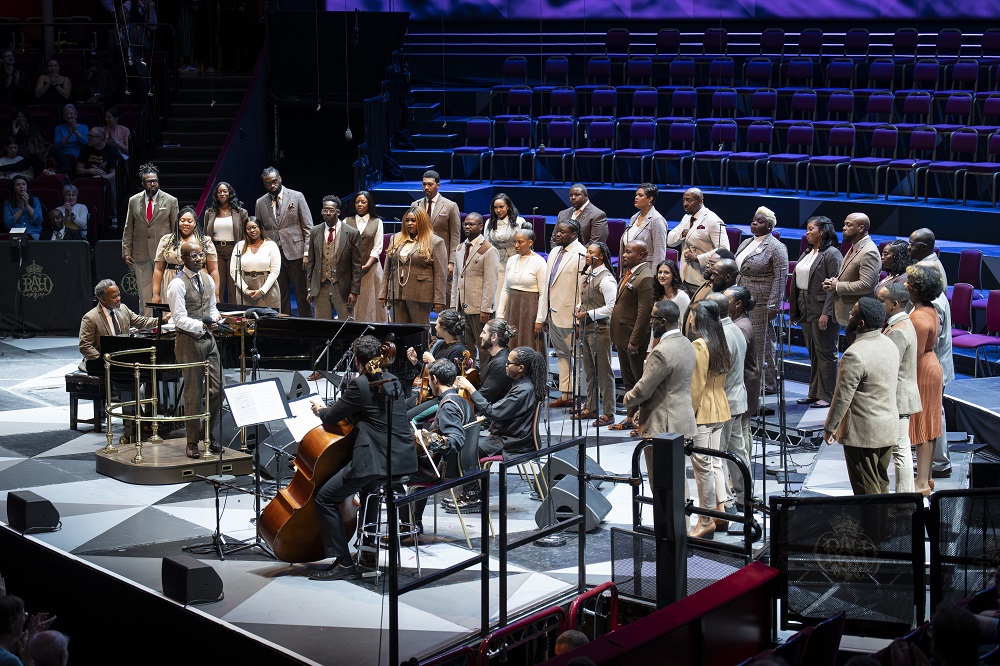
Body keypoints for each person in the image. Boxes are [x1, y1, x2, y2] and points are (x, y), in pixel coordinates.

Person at [308, 335, 418, 580]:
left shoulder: (360, 384)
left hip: (374, 462)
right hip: (402, 460)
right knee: (369, 490)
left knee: (325, 497)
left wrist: (319, 409)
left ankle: (344, 563)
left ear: (357, 361)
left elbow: (332, 416)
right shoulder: (395, 381)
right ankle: (367, 552)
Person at [824, 297, 900, 495]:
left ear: (861, 323)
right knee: (881, 483)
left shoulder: (854, 354)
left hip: (863, 433)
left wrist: (830, 427)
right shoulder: (889, 343)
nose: (849, 317)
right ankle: (885, 525)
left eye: (852, 314)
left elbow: (842, 398)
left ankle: (874, 526)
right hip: (888, 427)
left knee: (866, 491)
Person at [167, 241, 223, 459]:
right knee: (193, 394)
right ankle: (191, 442)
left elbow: (212, 308)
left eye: (201, 255)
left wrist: (215, 319)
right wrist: (202, 325)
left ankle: (206, 432)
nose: (199, 259)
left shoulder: (207, 279)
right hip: (188, 341)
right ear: (183, 259)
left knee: (218, 389)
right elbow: (179, 319)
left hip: (208, 339)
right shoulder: (177, 284)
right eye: (194, 256)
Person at [407, 358, 473, 535]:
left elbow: (455, 441)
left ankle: (407, 525)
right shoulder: (463, 401)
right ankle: (415, 522)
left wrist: (426, 438)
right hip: (454, 467)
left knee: (396, 472)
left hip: (442, 470)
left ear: (435, 379)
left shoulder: (448, 406)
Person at [908, 227, 954, 481]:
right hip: (932, 358)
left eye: (913, 244)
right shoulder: (929, 267)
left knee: (933, 414)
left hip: (930, 360)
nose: (909, 248)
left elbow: (930, 334)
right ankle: (933, 462)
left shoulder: (930, 288)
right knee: (932, 413)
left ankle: (939, 462)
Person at [686, 299, 733, 539]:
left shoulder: (699, 345)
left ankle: (705, 521)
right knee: (714, 463)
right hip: (720, 408)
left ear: (700, 318)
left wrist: (688, 417)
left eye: (692, 315)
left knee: (702, 466)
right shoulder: (719, 341)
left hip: (703, 411)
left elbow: (696, 387)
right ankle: (720, 513)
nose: (689, 319)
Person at [789, 216, 843, 408]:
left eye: (811, 229)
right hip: (805, 307)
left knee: (826, 353)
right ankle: (814, 392)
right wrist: (795, 312)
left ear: (822, 231)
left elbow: (833, 285)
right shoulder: (807, 252)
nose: (807, 232)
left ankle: (828, 395)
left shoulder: (832, 253)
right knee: (813, 353)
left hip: (821, 309)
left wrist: (826, 313)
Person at [623, 299, 697, 440]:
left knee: (657, 462)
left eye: (652, 318)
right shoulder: (687, 343)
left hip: (662, 423)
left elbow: (644, 389)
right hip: (683, 419)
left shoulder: (661, 352)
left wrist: (627, 399)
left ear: (663, 322)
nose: (651, 322)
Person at [455, 345, 545, 459]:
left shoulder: (523, 390)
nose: (505, 366)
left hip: (511, 442)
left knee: (460, 448)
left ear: (520, 368)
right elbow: (508, 411)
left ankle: (471, 477)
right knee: (464, 441)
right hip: (511, 437)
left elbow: (493, 412)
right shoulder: (523, 385)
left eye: (509, 363)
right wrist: (483, 418)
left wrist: (470, 388)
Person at [734, 206, 788, 393]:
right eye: (754, 220)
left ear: (770, 227)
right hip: (742, 298)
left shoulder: (776, 247)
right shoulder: (747, 242)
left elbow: (781, 277)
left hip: (761, 300)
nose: (754, 223)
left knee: (762, 342)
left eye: (760, 221)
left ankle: (770, 383)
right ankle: (749, 379)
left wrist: (774, 304)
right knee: (744, 339)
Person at [706, 292, 748, 528]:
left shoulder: (718, 335)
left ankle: (728, 502)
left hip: (723, 404)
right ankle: (744, 497)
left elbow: (715, 374)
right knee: (738, 453)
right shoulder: (736, 329)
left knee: (718, 456)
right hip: (737, 400)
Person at [878, 283, 921, 494]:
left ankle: (904, 499)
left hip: (899, 398)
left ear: (894, 304)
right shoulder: (902, 323)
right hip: (902, 395)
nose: (878, 305)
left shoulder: (899, 331)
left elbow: (888, 367)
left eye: (881, 301)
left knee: (900, 450)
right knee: (901, 448)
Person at [254, 166, 315, 317]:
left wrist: (307, 252)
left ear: (280, 178)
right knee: (280, 295)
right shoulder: (260, 202)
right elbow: (259, 230)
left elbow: (308, 227)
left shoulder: (296, 196)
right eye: (268, 183)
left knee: (302, 294)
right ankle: (285, 330)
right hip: (274, 255)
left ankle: (308, 331)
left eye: (274, 181)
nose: (272, 185)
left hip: (297, 253)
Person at [906, 263, 944, 496]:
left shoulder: (919, 318)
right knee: (928, 425)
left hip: (923, 369)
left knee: (923, 425)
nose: (906, 285)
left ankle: (920, 482)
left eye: (910, 283)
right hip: (930, 367)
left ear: (917, 290)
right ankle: (926, 477)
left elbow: (914, 354)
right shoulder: (931, 309)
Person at [609, 241, 655, 434]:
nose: (624, 255)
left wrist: (635, 341)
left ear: (642, 255)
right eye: (624, 251)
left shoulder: (645, 277)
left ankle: (643, 421)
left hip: (632, 339)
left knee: (639, 381)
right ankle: (631, 416)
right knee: (629, 380)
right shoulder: (631, 273)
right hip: (622, 336)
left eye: (628, 252)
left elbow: (644, 313)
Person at [123, 163, 179, 315]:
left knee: (166, 291)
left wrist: (175, 251)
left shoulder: (170, 200)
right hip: (141, 252)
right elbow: (129, 227)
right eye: (149, 181)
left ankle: (168, 323)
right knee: (144, 293)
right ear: (143, 183)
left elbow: (176, 229)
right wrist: (126, 251)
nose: (153, 183)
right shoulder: (133, 201)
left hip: (164, 254)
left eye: (155, 180)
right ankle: (146, 325)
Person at [724, 285, 761, 508]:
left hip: (739, 391)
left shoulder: (741, 328)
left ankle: (732, 496)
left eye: (727, 299)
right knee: (738, 445)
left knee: (737, 444)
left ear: (738, 304)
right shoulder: (737, 323)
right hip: (739, 392)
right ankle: (744, 493)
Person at [574, 242, 618, 428]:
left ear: (600, 256)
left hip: (600, 329)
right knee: (590, 370)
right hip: (586, 328)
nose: (587, 254)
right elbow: (585, 299)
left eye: (591, 252)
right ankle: (591, 406)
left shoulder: (606, 279)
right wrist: (578, 309)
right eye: (587, 251)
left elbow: (611, 307)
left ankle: (609, 412)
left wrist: (589, 314)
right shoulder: (589, 275)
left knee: (604, 371)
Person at [381, 206, 448, 324]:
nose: (409, 223)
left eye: (413, 220)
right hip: (397, 292)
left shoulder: (435, 242)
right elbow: (387, 269)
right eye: (407, 220)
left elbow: (440, 274)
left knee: (420, 330)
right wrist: (383, 293)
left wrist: (439, 300)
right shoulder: (395, 238)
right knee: (399, 330)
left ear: (421, 222)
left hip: (420, 293)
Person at [546, 219, 588, 408]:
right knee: (562, 355)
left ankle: (581, 396)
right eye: (557, 231)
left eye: (562, 232)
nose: (557, 234)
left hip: (570, 314)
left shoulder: (582, 254)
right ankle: (566, 393)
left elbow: (583, 290)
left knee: (578, 356)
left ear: (574, 234)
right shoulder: (554, 251)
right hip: (552, 312)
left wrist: (579, 318)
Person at [451, 212, 500, 359]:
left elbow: (490, 282)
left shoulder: (488, 250)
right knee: (465, 346)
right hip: (462, 306)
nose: (467, 226)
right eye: (465, 223)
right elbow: (456, 279)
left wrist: (486, 308)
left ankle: (486, 379)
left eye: (471, 224)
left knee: (484, 347)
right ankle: (467, 377)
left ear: (480, 226)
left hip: (479, 308)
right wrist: (454, 305)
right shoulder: (460, 248)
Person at [79, 279, 159, 368]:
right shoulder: (90, 318)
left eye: (119, 295)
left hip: (123, 359)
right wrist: (103, 360)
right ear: (102, 299)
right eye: (114, 297)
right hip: (102, 363)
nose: (119, 298)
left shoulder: (123, 309)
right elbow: (85, 346)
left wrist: (162, 320)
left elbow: (142, 322)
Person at [823, 212, 881, 331]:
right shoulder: (855, 246)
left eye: (849, 225)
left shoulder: (869, 252)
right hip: (848, 312)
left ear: (861, 228)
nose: (844, 228)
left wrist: (838, 286)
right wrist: (834, 282)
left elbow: (867, 285)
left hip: (859, 315)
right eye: (844, 224)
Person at [307, 195, 362, 320]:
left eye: (331, 210)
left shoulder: (351, 233)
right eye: (325, 210)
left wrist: (354, 291)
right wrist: (310, 288)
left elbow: (356, 266)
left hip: (341, 288)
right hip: (321, 287)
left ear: (338, 212)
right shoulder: (315, 231)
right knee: (322, 327)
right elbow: (311, 262)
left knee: (346, 326)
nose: (327, 213)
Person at [667, 187, 729, 295]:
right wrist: (682, 234)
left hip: (702, 280)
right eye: (684, 200)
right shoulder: (686, 218)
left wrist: (698, 258)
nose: (685, 204)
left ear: (700, 201)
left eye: (689, 200)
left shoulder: (713, 220)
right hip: (684, 277)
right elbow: (670, 241)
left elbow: (724, 250)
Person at [152, 206, 221, 304]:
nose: (186, 224)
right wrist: (155, 294)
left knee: (195, 314)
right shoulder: (166, 240)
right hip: (171, 279)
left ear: (195, 223)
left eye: (189, 221)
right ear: (178, 222)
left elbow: (213, 270)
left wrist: (216, 294)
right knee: (171, 316)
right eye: (182, 220)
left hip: (197, 280)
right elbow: (158, 269)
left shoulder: (205, 241)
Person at [496, 228, 548, 355]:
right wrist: (500, 313)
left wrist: (539, 319)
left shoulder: (539, 262)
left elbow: (543, 293)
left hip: (529, 308)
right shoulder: (512, 260)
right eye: (515, 242)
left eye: (520, 242)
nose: (516, 245)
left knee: (528, 342)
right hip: (512, 307)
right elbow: (506, 288)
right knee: (510, 342)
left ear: (530, 243)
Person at [406, 308, 468, 411]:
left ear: (444, 328)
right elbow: (429, 374)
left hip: (442, 398)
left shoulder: (458, 350)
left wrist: (432, 361)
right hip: (431, 392)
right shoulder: (440, 345)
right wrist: (416, 362)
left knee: (408, 416)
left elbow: (449, 380)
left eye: (437, 324)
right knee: (401, 407)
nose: (435, 327)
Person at [343, 190, 386, 323]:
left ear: (369, 204)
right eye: (357, 202)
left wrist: (367, 265)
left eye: (363, 202)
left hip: (371, 268)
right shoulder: (346, 221)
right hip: (352, 268)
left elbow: (378, 247)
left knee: (370, 302)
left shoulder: (377, 222)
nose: (360, 204)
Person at [203, 181, 249, 304]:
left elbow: (246, 234)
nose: (222, 194)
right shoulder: (210, 212)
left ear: (230, 193)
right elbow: (204, 235)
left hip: (234, 249)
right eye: (219, 192)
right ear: (216, 195)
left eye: (225, 191)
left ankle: (234, 317)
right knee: (218, 285)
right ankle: (219, 314)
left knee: (233, 285)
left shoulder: (241, 212)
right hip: (215, 250)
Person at [414, 170, 461, 290]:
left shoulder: (450, 206)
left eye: (430, 184)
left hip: (442, 256)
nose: (426, 187)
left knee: (443, 295)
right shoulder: (415, 205)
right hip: (420, 256)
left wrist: (452, 261)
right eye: (424, 184)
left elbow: (455, 236)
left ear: (438, 185)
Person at [485, 192, 531, 304]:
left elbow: (525, 243)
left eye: (501, 207)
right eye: (495, 207)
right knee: (499, 294)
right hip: (498, 261)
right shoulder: (489, 222)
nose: (498, 210)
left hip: (516, 260)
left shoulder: (519, 221)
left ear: (508, 206)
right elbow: (486, 243)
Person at [232, 217, 281, 309]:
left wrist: (262, 291)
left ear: (260, 228)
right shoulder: (239, 246)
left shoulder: (271, 245)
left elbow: (275, 271)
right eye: (248, 228)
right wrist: (245, 290)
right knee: (247, 321)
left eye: (254, 227)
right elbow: (233, 271)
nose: (252, 230)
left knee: (268, 321)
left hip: (267, 288)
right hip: (245, 288)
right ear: (245, 230)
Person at [74, 126, 120, 216]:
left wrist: (100, 178)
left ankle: (115, 215)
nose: (88, 137)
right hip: (88, 178)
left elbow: (114, 173)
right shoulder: (85, 148)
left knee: (113, 183)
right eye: (88, 135)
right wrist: (90, 171)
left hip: (105, 179)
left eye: (91, 136)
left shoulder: (111, 149)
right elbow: (78, 170)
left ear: (100, 138)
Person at [620, 182, 667, 269]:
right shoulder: (634, 217)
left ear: (650, 199)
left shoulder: (657, 220)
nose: (636, 197)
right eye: (636, 195)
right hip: (629, 268)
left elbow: (659, 252)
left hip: (646, 270)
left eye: (640, 195)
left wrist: (655, 277)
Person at [686, 258, 739, 334]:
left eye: (715, 274)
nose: (711, 277)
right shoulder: (711, 289)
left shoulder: (733, 302)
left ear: (727, 277)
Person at [651, 259, 690, 349]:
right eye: (660, 272)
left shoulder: (682, 297)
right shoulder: (658, 295)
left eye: (666, 273)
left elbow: (686, 324)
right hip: (658, 341)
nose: (662, 276)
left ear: (674, 275)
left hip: (675, 344)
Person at [477, 318, 515, 403]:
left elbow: (483, 398)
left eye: (484, 332)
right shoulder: (495, 357)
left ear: (494, 337)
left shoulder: (500, 364)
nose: (480, 335)